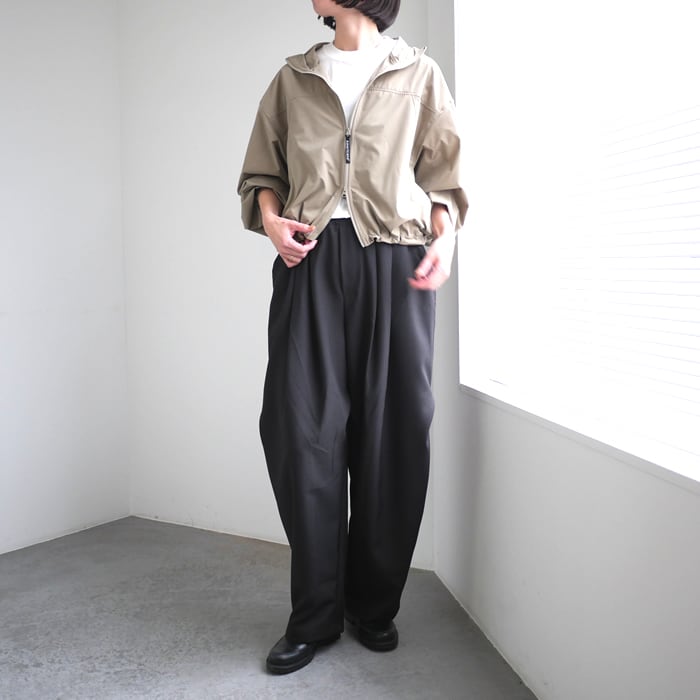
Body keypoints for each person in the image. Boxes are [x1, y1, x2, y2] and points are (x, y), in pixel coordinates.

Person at [237, 0, 467, 675]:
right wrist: (272, 222)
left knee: (394, 430)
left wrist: (445, 242)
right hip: (309, 261)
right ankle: (314, 613)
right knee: (299, 429)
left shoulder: (418, 74)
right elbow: (262, 175)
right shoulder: (294, 78)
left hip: (395, 260)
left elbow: (444, 181)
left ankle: (372, 605)